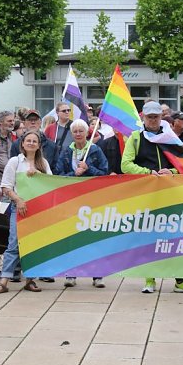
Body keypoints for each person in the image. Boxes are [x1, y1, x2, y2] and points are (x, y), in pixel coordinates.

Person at [121, 101, 183, 295]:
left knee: (176, 238)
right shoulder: (135, 138)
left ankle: (182, 281)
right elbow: (126, 165)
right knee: (148, 237)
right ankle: (150, 280)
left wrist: (170, 171)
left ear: (161, 117)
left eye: (156, 116)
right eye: (150, 116)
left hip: (171, 196)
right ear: (143, 118)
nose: (153, 119)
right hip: (147, 196)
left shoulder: (171, 137)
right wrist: (150, 173)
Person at [0, 130, 50, 295]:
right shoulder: (14, 162)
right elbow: (5, 186)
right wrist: (18, 200)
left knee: (34, 244)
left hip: (37, 210)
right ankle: (4, 281)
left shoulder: (43, 163)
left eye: (34, 141)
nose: (31, 143)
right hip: (19, 209)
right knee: (13, 244)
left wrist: (39, 175)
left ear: (39, 145)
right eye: (28, 141)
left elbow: (51, 184)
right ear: (22, 144)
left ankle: (30, 280)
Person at [57, 119, 108, 288]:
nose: (78, 134)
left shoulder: (95, 150)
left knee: (93, 237)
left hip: (92, 199)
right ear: (72, 134)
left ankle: (97, 274)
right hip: (72, 200)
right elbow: (59, 174)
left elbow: (105, 173)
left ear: (87, 133)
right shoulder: (65, 152)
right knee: (72, 237)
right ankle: (71, 273)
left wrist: (88, 169)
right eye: (75, 131)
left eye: (81, 131)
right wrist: (74, 173)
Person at [0, 110, 16, 187]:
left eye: (13, 120)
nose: (12, 123)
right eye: (9, 121)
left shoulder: (17, 138)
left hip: (14, 177)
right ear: (1, 122)